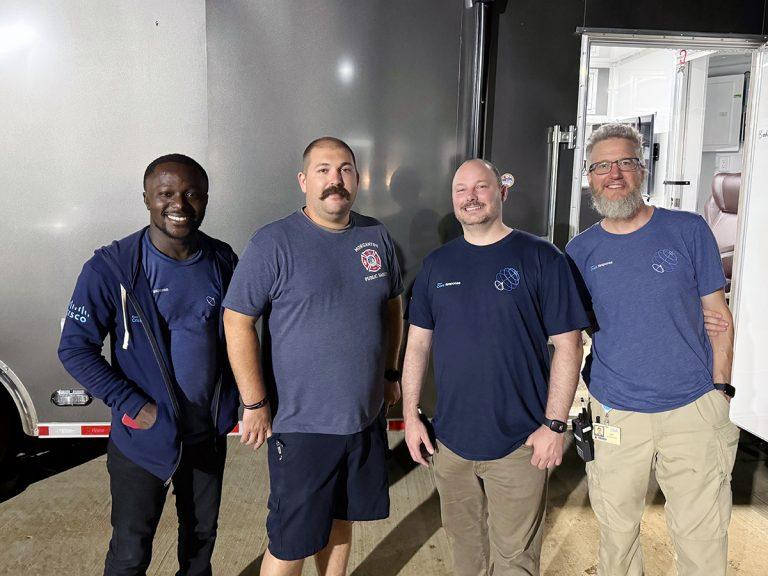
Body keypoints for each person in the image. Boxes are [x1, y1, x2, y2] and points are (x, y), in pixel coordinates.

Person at [222, 137, 404, 576]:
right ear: (304, 180)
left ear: (357, 179)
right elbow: (236, 321)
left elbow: (393, 306)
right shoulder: (273, 242)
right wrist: (254, 403)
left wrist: (390, 373)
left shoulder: (375, 236)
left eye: (344, 169)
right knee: (291, 540)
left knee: (342, 521)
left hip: (362, 419)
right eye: (323, 170)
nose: (334, 180)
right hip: (303, 426)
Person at [565, 123, 739, 576]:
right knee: (616, 538)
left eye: (625, 162)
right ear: (589, 176)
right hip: (616, 413)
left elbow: (719, 319)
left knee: (702, 539)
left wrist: (720, 390)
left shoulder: (688, 230)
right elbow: (572, 335)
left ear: (642, 170)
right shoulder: (580, 251)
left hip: (694, 410)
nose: (614, 174)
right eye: (602, 166)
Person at [401, 158, 588, 575]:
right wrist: (410, 417)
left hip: (521, 443)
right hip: (450, 443)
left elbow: (568, 345)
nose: (471, 197)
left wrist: (555, 425)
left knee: (515, 560)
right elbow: (416, 346)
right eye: (461, 190)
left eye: (481, 187)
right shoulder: (437, 266)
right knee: (465, 552)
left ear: (502, 192)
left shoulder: (541, 257)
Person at [58, 154, 240, 575]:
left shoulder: (222, 261)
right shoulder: (111, 268)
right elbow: (74, 348)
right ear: (146, 199)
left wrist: (243, 402)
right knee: (129, 552)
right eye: (166, 194)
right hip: (141, 441)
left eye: (192, 193)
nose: (179, 203)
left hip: (206, 438)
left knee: (200, 547)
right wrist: (134, 405)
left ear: (207, 199)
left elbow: (240, 335)